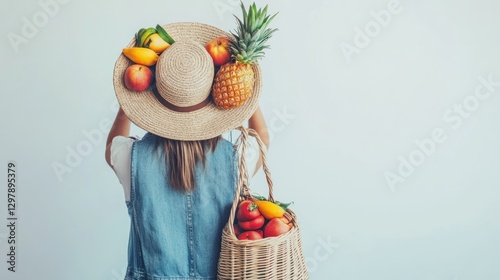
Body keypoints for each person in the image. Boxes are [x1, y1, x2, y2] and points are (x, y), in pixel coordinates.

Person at [105, 22, 269, 280]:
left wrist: (129, 104)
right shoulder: (236, 160)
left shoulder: (130, 158)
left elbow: (111, 146)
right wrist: (246, 100)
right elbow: (262, 140)